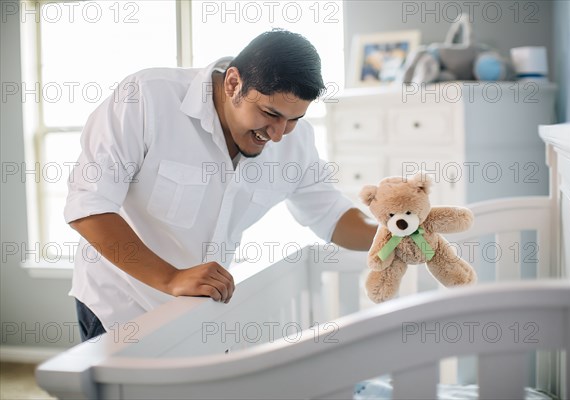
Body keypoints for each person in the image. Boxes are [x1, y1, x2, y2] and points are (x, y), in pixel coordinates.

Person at [65, 29, 377, 341]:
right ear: (233, 83)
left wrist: (399, 237)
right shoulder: (146, 97)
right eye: (270, 113)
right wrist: (171, 278)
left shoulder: (297, 142)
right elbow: (89, 207)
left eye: (293, 119)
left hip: (196, 311)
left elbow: (332, 215)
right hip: (120, 305)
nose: (278, 134)